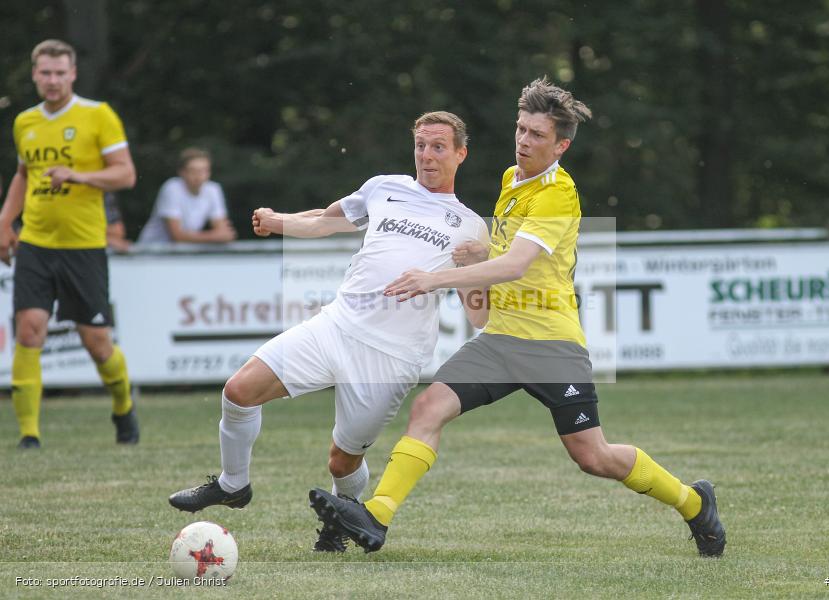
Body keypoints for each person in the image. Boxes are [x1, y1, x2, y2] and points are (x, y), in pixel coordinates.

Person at [309, 78, 727, 558]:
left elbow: (515, 264)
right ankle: (376, 515)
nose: (524, 141)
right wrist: (480, 251)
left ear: (561, 145)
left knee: (593, 456)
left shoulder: (558, 193)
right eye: (521, 130)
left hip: (553, 345)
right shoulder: (511, 180)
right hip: (503, 342)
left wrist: (435, 278)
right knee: (428, 408)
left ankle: (695, 504)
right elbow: (506, 253)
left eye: (537, 135)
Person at [168, 111, 490, 553]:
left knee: (342, 461)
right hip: (336, 325)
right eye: (420, 144)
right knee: (239, 390)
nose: (427, 155)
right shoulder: (385, 188)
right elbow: (325, 219)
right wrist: (278, 221)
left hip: (391, 356)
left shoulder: (471, 226)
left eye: (438, 147)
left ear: (460, 154)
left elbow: (480, 318)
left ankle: (342, 519)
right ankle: (233, 485)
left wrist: (477, 268)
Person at [0, 39, 139, 449]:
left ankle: (123, 405)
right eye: (45, 72)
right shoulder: (25, 121)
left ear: (73, 74)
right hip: (36, 241)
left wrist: (80, 176)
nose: (53, 80)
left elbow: (126, 175)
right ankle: (29, 435)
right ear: (35, 74)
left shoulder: (98, 115)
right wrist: (6, 221)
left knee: (97, 344)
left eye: (60, 73)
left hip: (84, 245)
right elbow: (24, 175)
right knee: (29, 330)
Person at [136, 147, 236, 244]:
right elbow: (177, 236)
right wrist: (215, 236)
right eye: (193, 170)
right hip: (150, 253)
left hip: (180, 254)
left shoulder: (213, 189)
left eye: (203, 170)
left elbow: (223, 232)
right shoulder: (171, 188)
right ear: (182, 172)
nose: (199, 176)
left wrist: (219, 235)